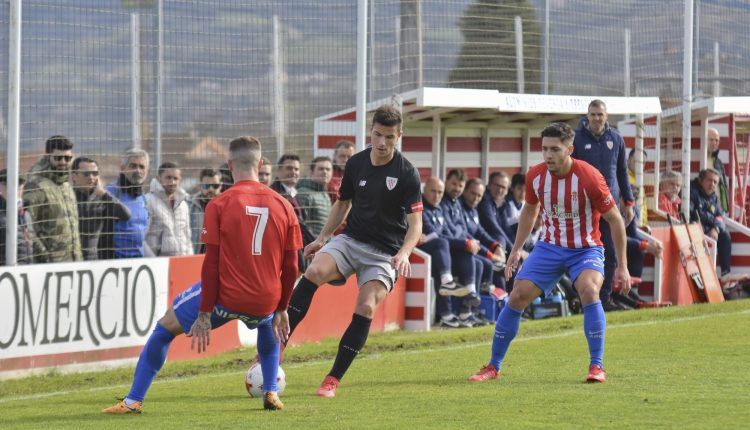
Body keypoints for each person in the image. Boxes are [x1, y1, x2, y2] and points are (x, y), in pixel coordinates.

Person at [102, 136, 302, 414]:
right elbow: (292, 265)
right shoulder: (284, 206)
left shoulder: (219, 204)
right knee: (267, 327)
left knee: (163, 329)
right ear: (260, 163)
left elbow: (211, 263)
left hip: (225, 298)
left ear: (229, 165)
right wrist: (282, 307)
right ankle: (270, 391)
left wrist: (205, 313)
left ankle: (133, 401)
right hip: (266, 300)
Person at [469, 122, 630, 384]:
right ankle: (493, 366)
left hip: (585, 248)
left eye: (555, 149)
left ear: (570, 149)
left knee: (589, 291)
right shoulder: (535, 176)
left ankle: (596, 366)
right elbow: (530, 212)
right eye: (544, 149)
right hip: (549, 247)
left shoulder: (589, 176)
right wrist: (516, 249)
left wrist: (622, 265)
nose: (548, 155)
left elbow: (615, 220)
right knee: (517, 296)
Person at [283, 105, 422, 398]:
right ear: (370, 131)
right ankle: (275, 350)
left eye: (389, 137)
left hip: (384, 253)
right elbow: (343, 203)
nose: (382, 143)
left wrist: (405, 252)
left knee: (367, 305)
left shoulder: (407, 173)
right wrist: (323, 237)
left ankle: (332, 379)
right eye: (377, 135)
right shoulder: (357, 163)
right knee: (314, 271)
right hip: (351, 240)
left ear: (399, 136)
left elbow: (415, 224)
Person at [572, 99, 635, 312]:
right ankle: (583, 299)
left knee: (609, 252)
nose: (597, 118)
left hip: (609, 206)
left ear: (606, 116)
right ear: (587, 116)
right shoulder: (577, 139)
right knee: (583, 251)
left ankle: (604, 299)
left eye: (600, 114)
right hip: (584, 206)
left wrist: (629, 201)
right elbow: (570, 171)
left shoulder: (616, 138)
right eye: (593, 114)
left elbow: (622, 172)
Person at [418, 176, 471, 328]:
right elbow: (433, 233)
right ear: (424, 189)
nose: (437, 196)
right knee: (442, 250)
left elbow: (447, 232)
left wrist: (465, 244)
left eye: (440, 192)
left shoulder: (440, 208)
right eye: (433, 191)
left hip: (438, 250)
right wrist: (464, 243)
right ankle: (446, 309)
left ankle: (465, 310)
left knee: (472, 259)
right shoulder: (419, 206)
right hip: (417, 250)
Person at [23, 135, 82, 263]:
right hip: (48, 267)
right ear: (48, 156)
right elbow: (25, 226)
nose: (63, 162)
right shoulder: (36, 186)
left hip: (73, 264)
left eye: (67, 158)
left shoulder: (67, 186)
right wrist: (45, 256)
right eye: (58, 157)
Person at [70, 156, 131, 260]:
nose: (91, 177)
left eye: (94, 173)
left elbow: (126, 215)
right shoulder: (67, 199)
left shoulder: (102, 199)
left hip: (93, 261)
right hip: (70, 260)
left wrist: (103, 193)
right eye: (86, 173)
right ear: (74, 176)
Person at [101, 148, 150, 259]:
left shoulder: (142, 197)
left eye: (142, 167)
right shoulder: (111, 192)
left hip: (139, 262)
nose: (138, 171)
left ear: (147, 171)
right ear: (123, 168)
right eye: (133, 166)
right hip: (116, 263)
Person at [690, 168, 733, 278]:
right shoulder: (691, 192)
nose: (712, 184)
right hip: (694, 231)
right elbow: (690, 214)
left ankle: (725, 274)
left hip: (709, 231)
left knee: (725, 235)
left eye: (715, 182)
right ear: (700, 180)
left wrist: (716, 229)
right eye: (709, 180)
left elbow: (720, 218)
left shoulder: (715, 198)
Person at [146, 162, 193, 256]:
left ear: (180, 180)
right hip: (158, 264)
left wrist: (190, 259)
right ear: (158, 178)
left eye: (175, 178)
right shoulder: (148, 201)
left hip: (181, 263)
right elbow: (142, 237)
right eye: (168, 177)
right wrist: (152, 262)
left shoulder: (183, 205)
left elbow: (187, 237)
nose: (172, 182)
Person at [0, 169, 33, 265]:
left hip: (25, 273)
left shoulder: (26, 213)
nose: (14, 188)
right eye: (8, 184)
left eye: (19, 184)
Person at [297, 156, 333, 237]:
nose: (325, 172)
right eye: (320, 169)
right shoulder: (303, 193)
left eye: (328, 169)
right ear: (312, 172)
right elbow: (300, 224)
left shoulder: (325, 194)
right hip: (310, 244)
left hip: (324, 245)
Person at [188, 168, 222, 254]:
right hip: (195, 257)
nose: (210, 189)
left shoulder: (228, 206)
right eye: (206, 186)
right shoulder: (189, 205)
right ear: (200, 185)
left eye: (215, 186)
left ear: (221, 186)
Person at [627, 148, 650, 231]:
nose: (640, 165)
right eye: (637, 161)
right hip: (633, 227)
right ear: (628, 161)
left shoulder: (637, 179)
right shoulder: (625, 179)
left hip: (641, 226)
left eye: (643, 162)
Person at [707, 128, 729, 212]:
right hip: (706, 208)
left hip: (719, 208)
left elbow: (724, 186)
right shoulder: (700, 159)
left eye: (716, 140)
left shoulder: (718, 162)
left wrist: (726, 207)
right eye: (711, 139)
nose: (714, 143)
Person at [503, 173, 525, 243]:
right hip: (509, 238)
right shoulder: (506, 204)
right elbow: (506, 226)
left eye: (526, 190)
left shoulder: (525, 204)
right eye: (519, 189)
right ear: (512, 188)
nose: (522, 193)